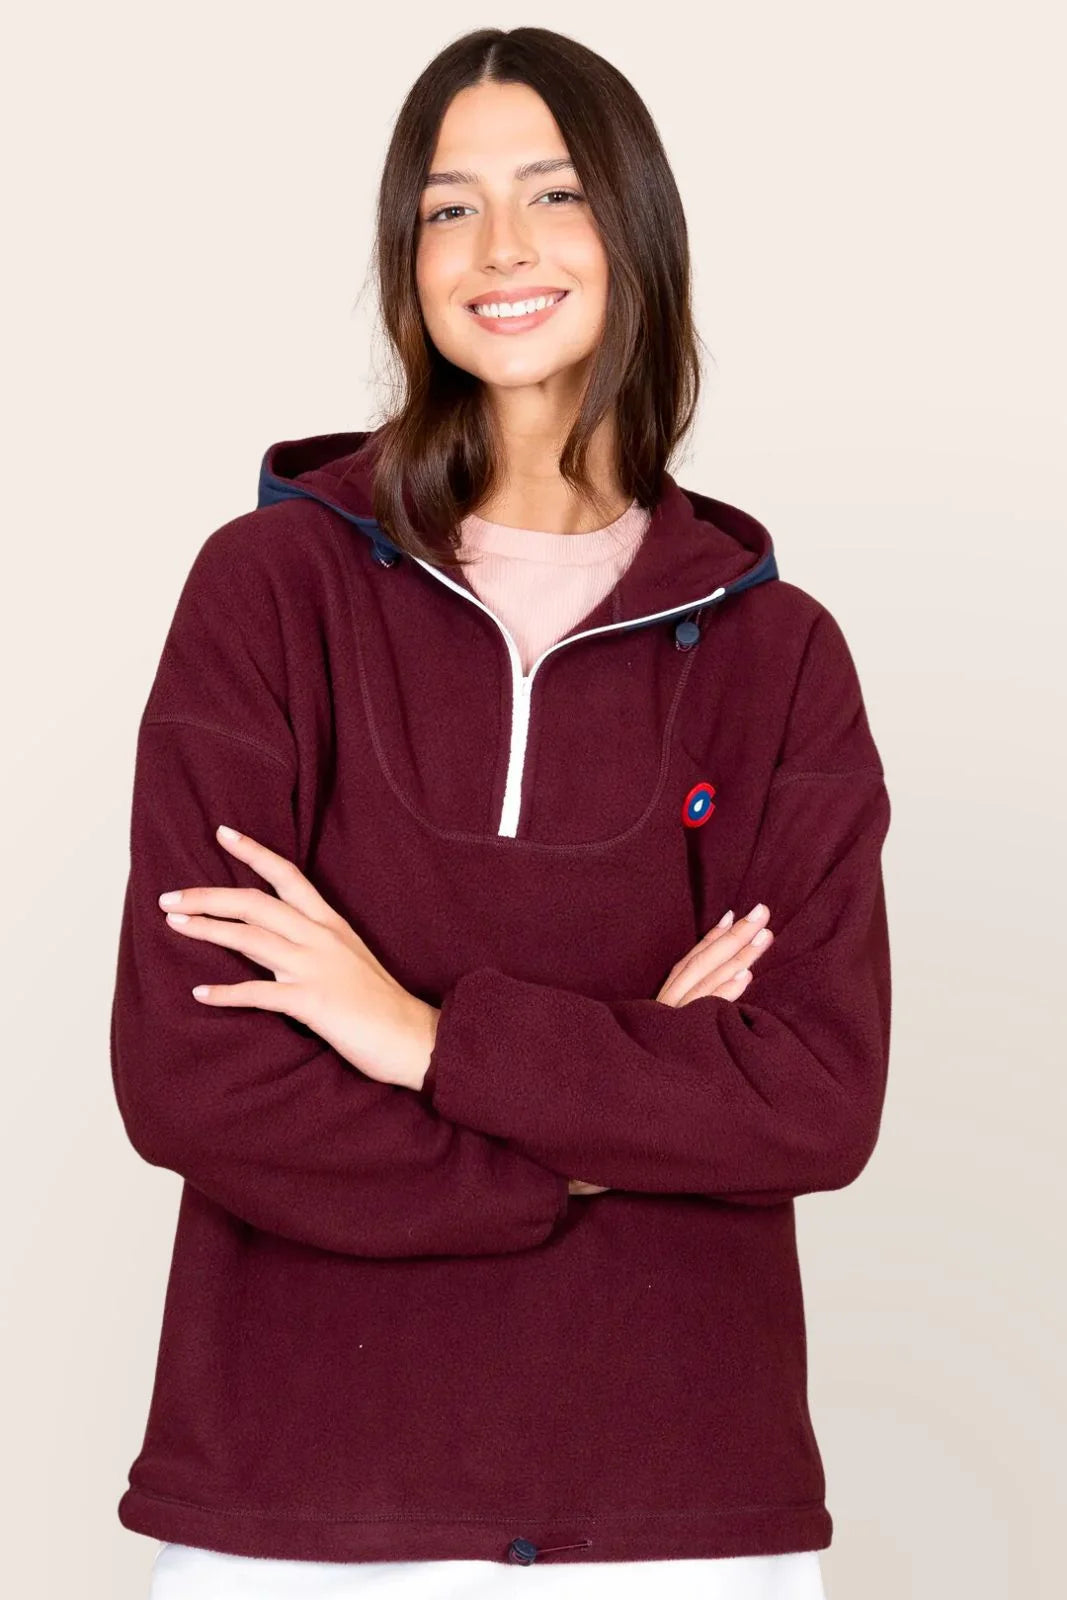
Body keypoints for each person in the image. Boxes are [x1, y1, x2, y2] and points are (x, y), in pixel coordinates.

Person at [111, 25, 891, 1600]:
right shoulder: (271, 592)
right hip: (296, 1508)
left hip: (680, 1514)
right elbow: (191, 1076)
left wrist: (416, 1037)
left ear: (637, 230)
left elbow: (813, 1098)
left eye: (555, 193)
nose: (501, 248)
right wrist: (598, 1136)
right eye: (448, 208)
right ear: (406, 261)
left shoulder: (779, 652)